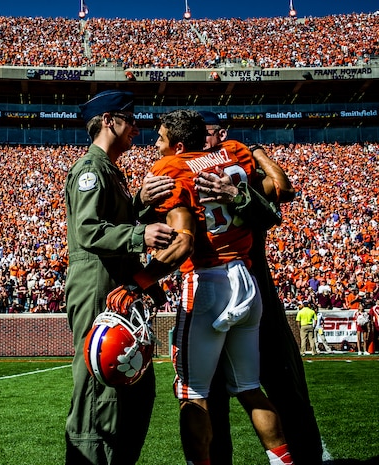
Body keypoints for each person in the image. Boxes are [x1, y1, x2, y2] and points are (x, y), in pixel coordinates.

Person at [124, 109, 295, 465]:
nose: (155, 144)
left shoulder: (171, 170)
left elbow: (181, 243)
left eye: (160, 138)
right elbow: (279, 189)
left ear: (179, 143)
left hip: (206, 280)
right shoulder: (236, 153)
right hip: (246, 281)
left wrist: (139, 282)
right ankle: (283, 462)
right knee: (249, 388)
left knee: (193, 394)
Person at [191, 111, 323, 465]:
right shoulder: (241, 175)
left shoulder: (186, 176)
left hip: (222, 295)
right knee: (255, 390)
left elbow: (283, 193)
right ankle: (300, 455)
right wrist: (259, 155)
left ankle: (303, 454)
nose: (206, 140)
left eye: (210, 133)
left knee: (268, 388)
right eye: (200, 135)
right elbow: (283, 189)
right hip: (247, 290)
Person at [64, 90, 176, 465]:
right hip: (97, 283)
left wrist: (139, 204)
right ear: (109, 120)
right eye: (130, 120)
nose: (137, 128)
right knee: (101, 390)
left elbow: (115, 219)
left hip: (113, 284)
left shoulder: (110, 170)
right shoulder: (90, 170)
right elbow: (89, 230)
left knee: (132, 388)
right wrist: (139, 235)